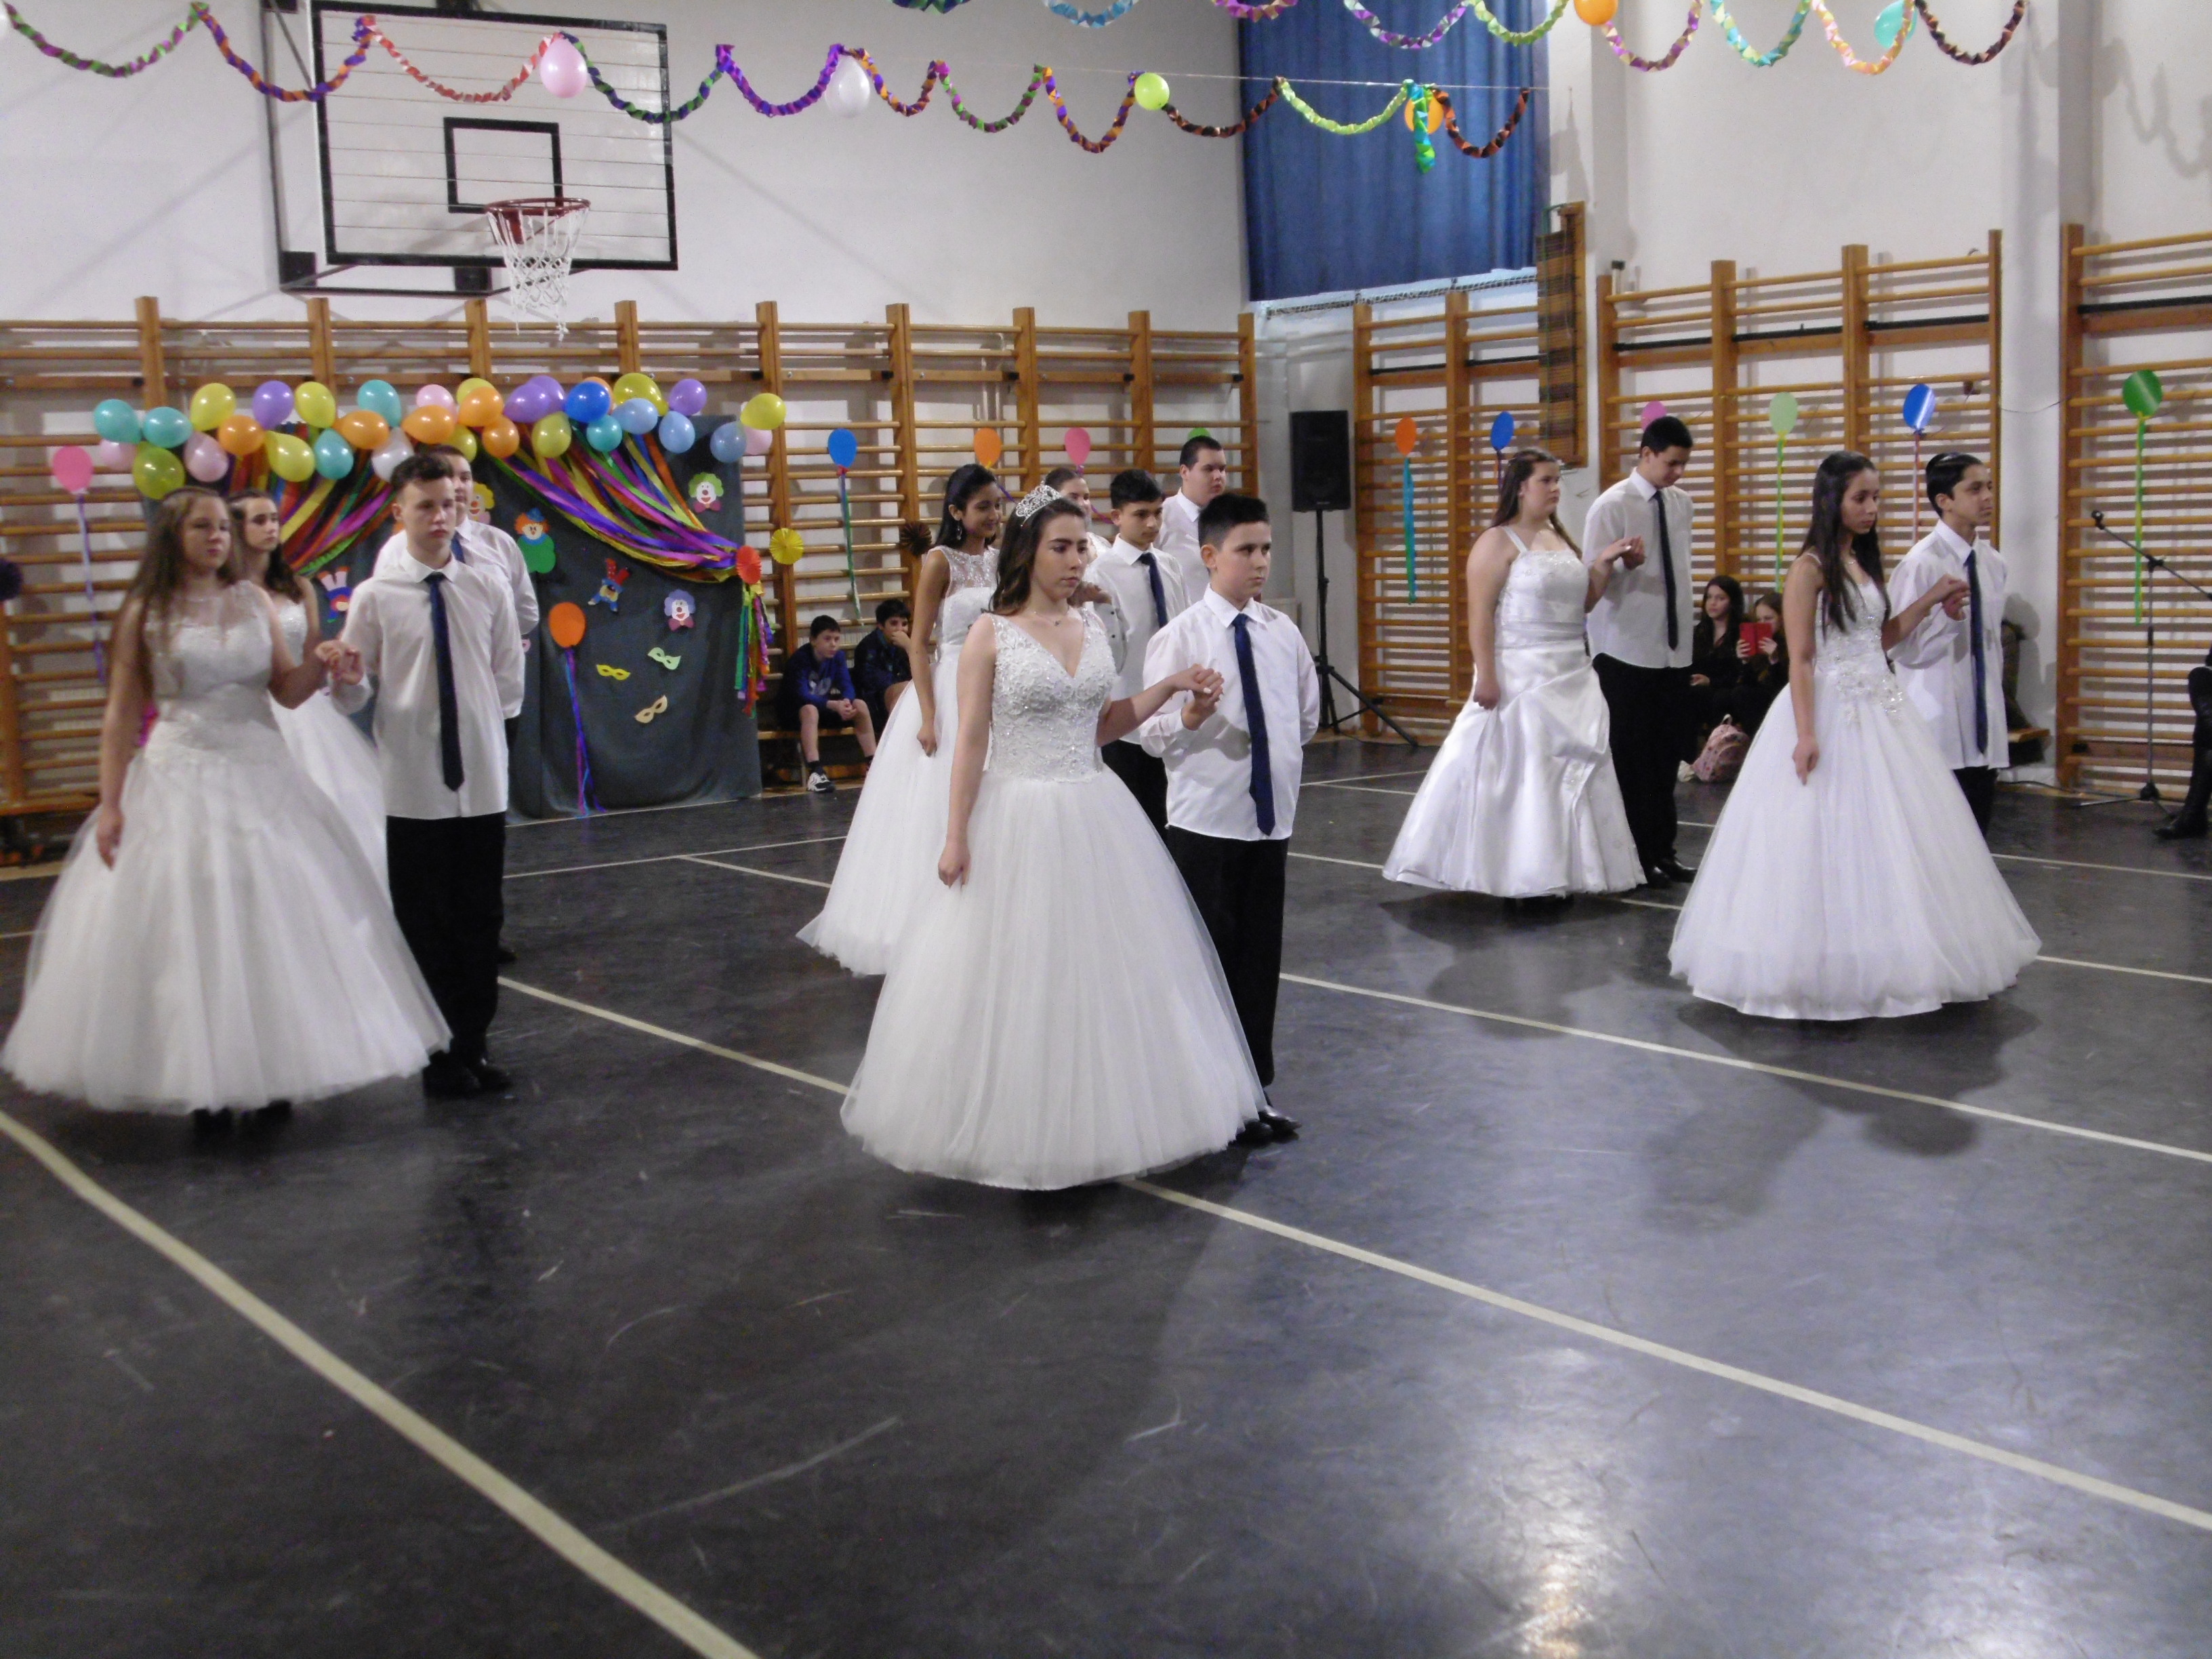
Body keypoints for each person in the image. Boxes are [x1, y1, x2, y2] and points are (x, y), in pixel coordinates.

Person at [840, 486, 1262, 1189]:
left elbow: (1100, 725)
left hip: (1094, 810)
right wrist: (955, 835)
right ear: (1028, 553)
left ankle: (1102, 1117)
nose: (1074, 561)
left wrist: (1169, 691)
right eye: (1060, 547)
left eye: (1080, 547)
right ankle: (1018, 1124)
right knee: (1020, 972)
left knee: (1101, 972)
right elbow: (971, 742)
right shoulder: (990, 633)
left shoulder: (1089, 626)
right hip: (1018, 813)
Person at [1, 489, 445, 1130]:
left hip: (264, 774)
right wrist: (113, 803)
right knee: (194, 929)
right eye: (202, 527)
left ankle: (274, 1071)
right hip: (180, 776)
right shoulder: (146, 613)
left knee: (271, 923)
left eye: (220, 528)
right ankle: (203, 1081)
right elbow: (121, 714)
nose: (216, 537)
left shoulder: (253, 601)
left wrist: (324, 666)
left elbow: (285, 691)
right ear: (172, 537)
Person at [1669, 452, 2040, 1020]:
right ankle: (1816, 957)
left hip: (1881, 706)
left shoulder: (1859, 561)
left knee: (1890, 836)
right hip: (1831, 706)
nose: (1871, 509)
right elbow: (1801, 659)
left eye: (1876, 498)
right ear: (1832, 501)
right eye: (1860, 498)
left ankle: (1884, 950)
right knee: (1822, 834)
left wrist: (1929, 603)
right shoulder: (1810, 568)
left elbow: (1879, 639)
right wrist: (1806, 733)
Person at [323, 452, 525, 1099]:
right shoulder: (376, 597)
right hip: (413, 784)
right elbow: (355, 695)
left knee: (480, 918)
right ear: (399, 513)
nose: (441, 517)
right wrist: (347, 681)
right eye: (426, 506)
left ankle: (474, 1043)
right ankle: (436, 1052)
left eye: (449, 504)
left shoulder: (486, 586)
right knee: (425, 923)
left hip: (481, 782)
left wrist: (485, 743)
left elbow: (507, 682)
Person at [1383, 449, 1645, 901]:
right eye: (1546, 480)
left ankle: (1564, 870)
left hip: (1570, 670)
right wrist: (1486, 674)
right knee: (1529, 775)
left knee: (1566, 772)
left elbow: (1582, 603)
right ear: (1521, 487)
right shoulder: (1496, 542)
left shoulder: (1558, 538)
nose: (1556, 488)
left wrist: (1604, 563)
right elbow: (1480, 616)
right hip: (1522, 673)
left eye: (1557, 480)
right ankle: (1525, 875)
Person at [1139, 492, 1315, 1143]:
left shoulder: (1282, 632)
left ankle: (1253, 1092)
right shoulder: (1180, 638)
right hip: (1205, 822)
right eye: (1246, 550)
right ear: (1211, 556)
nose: (1260, 562)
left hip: (1267, 819)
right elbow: (1149, 734)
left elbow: (1305, 716)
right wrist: (1188, 718)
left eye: (1266, 548)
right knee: (1205, 961)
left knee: (1258, 959)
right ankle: (1201, 1093)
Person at [798, 466, 1002, 975]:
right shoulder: (940, 562)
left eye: (998, 505)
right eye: (983, 506)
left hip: (997, 688)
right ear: (956, 511)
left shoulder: (1001, 560)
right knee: (935, 805)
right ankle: (923, 924)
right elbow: (920, 644)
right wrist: (929, 714)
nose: (994, 515)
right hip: (950, 687)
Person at [228, 491, 386, 881]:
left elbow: (312, 651)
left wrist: (333, 660)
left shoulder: (298, 586)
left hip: (303, 709)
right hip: (248, 711)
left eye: (274, 519)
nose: (271, 528)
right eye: (259, 520)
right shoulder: (223, 593)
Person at [1584, 415, 1698, 887]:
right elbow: (1590, 582)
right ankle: (1634, 856)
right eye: (1671, 463)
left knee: (1666, 758)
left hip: (1672, 650)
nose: (1678, 473)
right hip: (1625, 651)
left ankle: (1662, 850)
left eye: (1683, 464)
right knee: (1632, 761)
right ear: (1646, 455)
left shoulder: (1681, 503)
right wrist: (1619, 564)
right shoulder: (1611, 506)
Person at [1889, 452, 2009, 834]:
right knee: (1937, 839)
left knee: (1978, 838)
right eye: (1974, 489)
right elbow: (1899, 648)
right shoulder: (1921, 563)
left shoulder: (1992, 563)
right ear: (1945, 500)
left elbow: (1991, 646)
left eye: (1988, 486)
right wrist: (1947, 621)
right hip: (1937, 721)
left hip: (1983, 724)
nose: (1987, 497)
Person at [1087, 468, 1191, 831]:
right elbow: (1102, 652)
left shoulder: (1170, 565)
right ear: (1116, 516)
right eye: (1141, 514)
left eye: (1158, 513)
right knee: (1134, 824)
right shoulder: (1100, 574)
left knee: (1173, 818)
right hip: (1126, 715)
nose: (1152, 524)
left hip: (1173, 714)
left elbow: (1182, 629)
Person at [373, 445, 539, 655]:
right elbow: (381, 618)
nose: (459, 486)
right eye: (450, 476)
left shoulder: (500, 543)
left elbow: (527, 614)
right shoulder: (396, 549)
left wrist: (487, 640)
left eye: (465, 478)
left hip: (490, 668)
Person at [779, 615, 879, 793]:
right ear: (813, 640)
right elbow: (802, 696)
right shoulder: (800, 660)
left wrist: (846, 702)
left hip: (823, 708)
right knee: (810, 710)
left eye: (836, 639)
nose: (833, 644)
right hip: (795, 714)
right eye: (827, 639)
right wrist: (833, 705)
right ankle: (815, 771)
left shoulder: (838, 657)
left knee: (860, 705)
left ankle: (873, 763)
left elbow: (847, 685)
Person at [1156, 434, 1229, 606]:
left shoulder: (1234, 518)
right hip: (1182, 618)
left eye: (1222, 469)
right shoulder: (1161, 519)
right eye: (1208, 469)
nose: (1218, 476)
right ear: (1185, 472)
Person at [1723, 588, 1789, 736]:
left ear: (1782, 619)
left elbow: (1783, 688)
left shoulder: (1790, 643)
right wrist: (1745, 661)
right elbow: (1747, 683)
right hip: (1759, 701)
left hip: (1781, 700)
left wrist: (1775, 661)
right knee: (1730, 695)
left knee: (1743, 695)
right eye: (1759, 620)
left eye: (1768, 619)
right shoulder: (1757, 641)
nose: (1762, 624)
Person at [852, 596, 914, 726]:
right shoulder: (868, 647)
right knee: (904, 690)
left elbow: (923, 674)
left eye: (904, 624)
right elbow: (872, 682)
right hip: (874, 703)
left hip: (901, 694)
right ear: (880, 625)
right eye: (894, 623)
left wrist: (910, 649)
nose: (900, 629)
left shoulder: (907, 645)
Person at [1045, 466, 1111, 566]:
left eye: (1086, 497)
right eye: (1074, 497)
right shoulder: (1047, 545)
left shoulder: (1102, 543)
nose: (1083, 504)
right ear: (1053, 501)